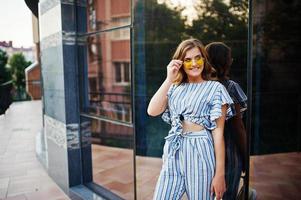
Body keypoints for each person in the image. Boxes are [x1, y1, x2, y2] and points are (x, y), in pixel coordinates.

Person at [147, 38, 234, 200]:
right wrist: (169, 79)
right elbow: (152, 111)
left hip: (200, 150)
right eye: (187, 60)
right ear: (180, 63)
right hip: (174, 152)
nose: (194, 64)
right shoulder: (174, 86)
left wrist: (220, 174)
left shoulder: (215, 89)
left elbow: (218, 134)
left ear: (204, 59)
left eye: (197, 58)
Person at [205, 42, 256, 200]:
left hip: (202, 152)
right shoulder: (230, 87)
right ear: (225, 62)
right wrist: (246, 158)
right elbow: (238, 127)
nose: (232, 60)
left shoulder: (198, 87)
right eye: (229, 57)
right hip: (228, 154)